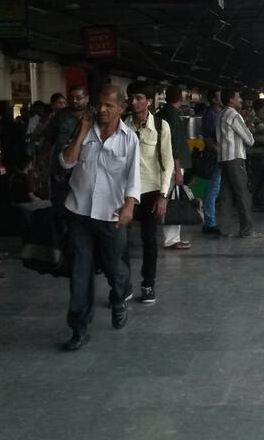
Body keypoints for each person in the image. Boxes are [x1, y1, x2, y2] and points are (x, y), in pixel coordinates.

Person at [58, 84, 140, 350]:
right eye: (99, 105)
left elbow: (133, 177)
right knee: (80, 273)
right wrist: (82, 130)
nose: (103, 110)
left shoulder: (129, 139)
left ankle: (118, 299)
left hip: (111, 215)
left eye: (109, 105)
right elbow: (67, 162)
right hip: (79, 212)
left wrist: (129, 206)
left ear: (121, 108)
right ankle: (79, 328)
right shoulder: (85, 132)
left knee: (116, 269)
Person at [122, 81, 173, 304]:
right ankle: (123, 284)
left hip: (151, 190)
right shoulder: (122, 125)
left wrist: (163, 195)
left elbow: (168, 161)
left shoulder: (161, 126)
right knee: (120, 240)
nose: (134, 102)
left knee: (149, 240)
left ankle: (148, 283)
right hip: (125, 192)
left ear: (149, 101)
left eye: (139, 98)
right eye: (131, 98)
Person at [216, 89, 258, 238]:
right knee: (242, 194)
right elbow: (249, 139)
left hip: (223, 158)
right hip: (235, 159)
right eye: (238, 97)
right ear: (231, 100)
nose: (240, 99)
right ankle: (246, 230)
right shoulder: (233, 115)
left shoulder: (221, 113)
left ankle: (223, 229)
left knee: (226, 195)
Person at [155, 86, 192, 250]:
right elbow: (173, 144)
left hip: (162, 163)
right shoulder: (173, 116)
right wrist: (177, 169)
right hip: (173, 164)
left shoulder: (160, 113)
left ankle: (168, 236)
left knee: (164, 198)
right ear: (180, 98)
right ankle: (172, 239)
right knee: (173, 200)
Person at [43, 85, 87, 208]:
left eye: (79, 98)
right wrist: (43, 164)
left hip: (84, 168)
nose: (74, 100)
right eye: (71, 98)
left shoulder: (94, 115)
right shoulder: (60, 116)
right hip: (61, 169)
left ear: (87, 98)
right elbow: (49, 140)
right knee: (60, 204)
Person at [200, 89, 224, 237]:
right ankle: (210, 222)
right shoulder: (211, 115)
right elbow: (208, 139)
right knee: (212, 190)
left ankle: (211, 219)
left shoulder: (218, 113)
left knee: (215, 189)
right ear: (214, 100)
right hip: (214, 157)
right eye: (220, 96)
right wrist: (220, 152)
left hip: (218, 156)